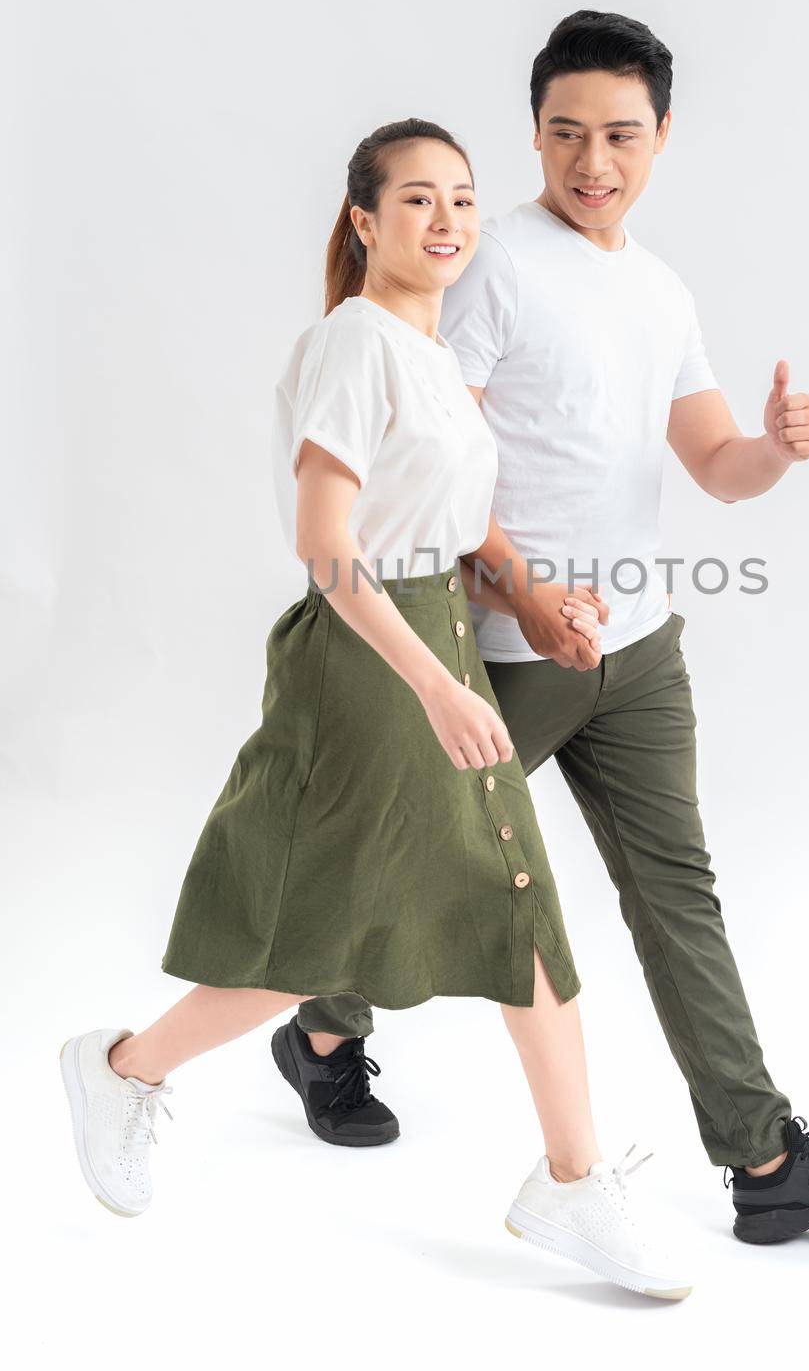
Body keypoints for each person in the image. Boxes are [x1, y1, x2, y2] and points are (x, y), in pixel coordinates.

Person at [293, 15, 809, 1247]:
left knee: (676, 891)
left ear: (662, 137)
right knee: (411, 871)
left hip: (636, 651)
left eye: (620, 134)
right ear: (534, 131)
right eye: (566, 132)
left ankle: (766, 1159)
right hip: (508, 651)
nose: (594, 159)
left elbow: (716, 467)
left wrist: (777, 448)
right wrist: (525, 592)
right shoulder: (489, 264)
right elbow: (435, 469)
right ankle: (320, 1027)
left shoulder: (659, 287)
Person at [59, 118, 694, 1300]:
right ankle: (125, 1068)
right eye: (417, 200)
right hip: (370, 666)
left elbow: (441, 533)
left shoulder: (429, 354)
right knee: (320, 936)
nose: (449, 220)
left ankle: (569, 1177)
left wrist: (532, 606)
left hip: (433, 638)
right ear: (364, 221)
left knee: (522, 914)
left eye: (462, 198)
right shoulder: (356, 341)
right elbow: (325, 544)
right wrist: (438, 683)